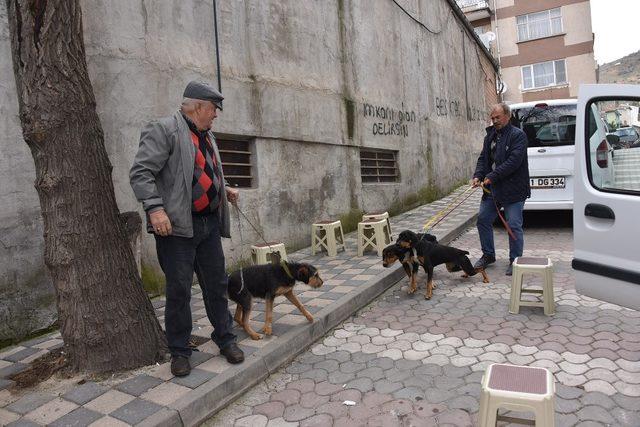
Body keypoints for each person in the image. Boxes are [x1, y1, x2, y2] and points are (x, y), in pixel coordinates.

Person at [130, 81, 244, 377]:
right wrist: (154, 208)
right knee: (179, 291)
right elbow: (141, 173)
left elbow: (201, 171)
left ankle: (225, 338)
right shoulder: (165, 129)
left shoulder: (207, 135)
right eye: (213, 109)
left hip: (208, 224)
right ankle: (179, 351)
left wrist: (225, 187)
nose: (216, 115)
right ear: (197, 107)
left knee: (217, 284)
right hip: (178, 228)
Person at [471, 102, 530, 276]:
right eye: (492, 118)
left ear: (507, 116)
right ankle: (488, 255)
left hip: (514, 189)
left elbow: (513, 162)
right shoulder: (489, 136)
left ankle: (515, 260)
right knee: (483, 219)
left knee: (513, 225)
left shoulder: (518, 135)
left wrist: (492, 176)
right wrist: (478, 175)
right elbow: (483, 159)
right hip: (492, 190)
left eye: (498, 117)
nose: (494, 120)